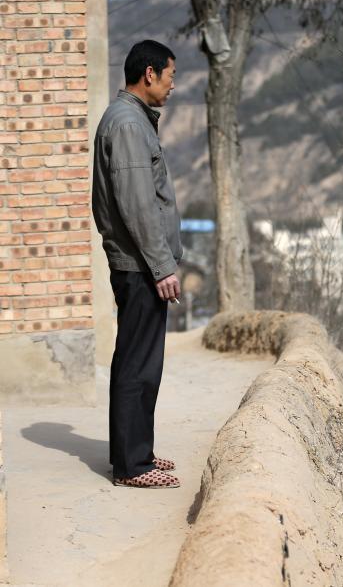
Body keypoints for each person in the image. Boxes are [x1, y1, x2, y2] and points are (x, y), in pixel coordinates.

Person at [92, 40, 183, 488]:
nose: (172, 85)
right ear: (149, 74)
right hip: (140, 264)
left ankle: (136, 452)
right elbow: (138, 206)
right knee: (137, 364)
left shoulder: (130, 119)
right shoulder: (128, 124)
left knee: (141, 361)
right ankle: (132, 466)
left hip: (139, 261)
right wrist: (162, 266)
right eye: (170, 76)